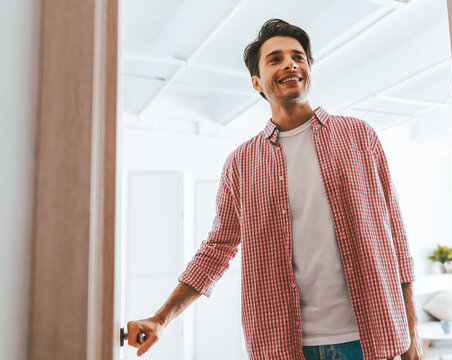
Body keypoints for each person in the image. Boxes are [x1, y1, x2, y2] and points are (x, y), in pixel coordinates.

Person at [127, 18, 422, 360]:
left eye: (298, 56)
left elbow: (395, 233)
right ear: (257, 83)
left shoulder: (358, 135)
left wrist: (411, 328)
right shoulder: (241, 163)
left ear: (309, 69)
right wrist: (162, 319)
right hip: (284, 345)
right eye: (275, 59)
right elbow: (217, 249)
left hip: (373, 335)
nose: (290, 64)